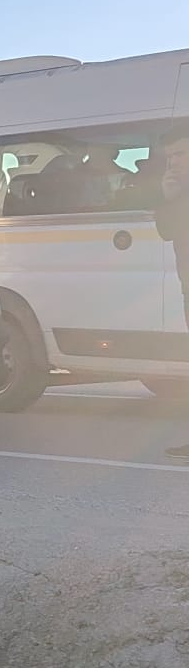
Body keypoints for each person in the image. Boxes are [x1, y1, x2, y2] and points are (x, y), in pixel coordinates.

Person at [155, 136, 189, 459]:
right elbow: (166, 231)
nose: (173, 163)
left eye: (178, 154)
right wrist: (168, 198)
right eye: (169, 158)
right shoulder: (176, 194)